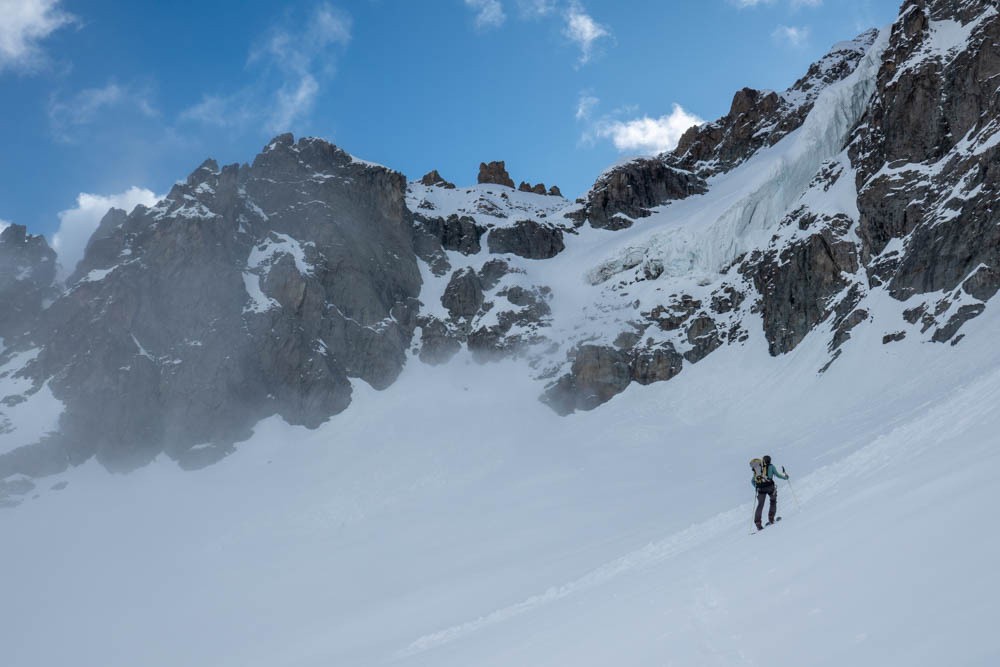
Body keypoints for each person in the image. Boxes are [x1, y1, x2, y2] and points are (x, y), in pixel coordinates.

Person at [752, 455, 788, 530]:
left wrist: (757, 486)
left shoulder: (758, 469)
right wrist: (785, 477)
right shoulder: (771, 467)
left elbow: (752, 481)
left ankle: (758, 523)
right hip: (770, 487)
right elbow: (778, 475)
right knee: (773, 501)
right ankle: (771, 518)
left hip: (761, 489)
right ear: (770, 460)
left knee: (760, 505)